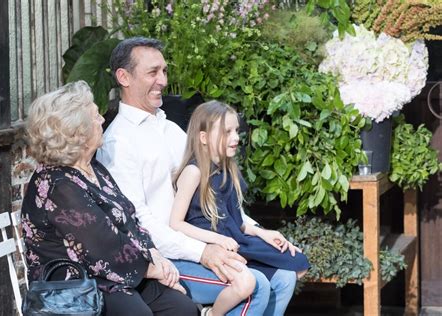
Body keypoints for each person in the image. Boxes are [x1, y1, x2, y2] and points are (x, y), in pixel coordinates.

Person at [97, 36, 300, 316]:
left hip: (206, 240)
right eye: (153, 72)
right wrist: (202, 251)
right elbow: (138, 223)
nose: (163, 81)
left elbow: (216, 195)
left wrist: (257, 229)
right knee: (258, 285)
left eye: (164, 71)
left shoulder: (172, 130)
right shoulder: (117, 143)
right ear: (124, 77)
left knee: (284, 277)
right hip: (165, 258)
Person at [21, 81, 198, 316]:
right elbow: (102, 244)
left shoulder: (93, 168)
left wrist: (153, 253)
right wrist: (155, 269)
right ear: (77, 132)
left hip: (115, 272)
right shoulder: (57, 185)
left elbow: (128, 217)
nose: (103, 120)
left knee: (182, 308)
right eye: (96, 117)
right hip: (75, 285)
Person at [170, 101, 311, 315]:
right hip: (211, 246)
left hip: (235, 240)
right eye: (227, 132)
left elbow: (236, 219)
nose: (236, 137)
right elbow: (176, 223)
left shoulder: (227, 169)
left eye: (236, 130)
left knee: (296, 265)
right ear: (204, 137)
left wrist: (262, 233)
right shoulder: (194, 172)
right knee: (257, 281)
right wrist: (217, 239)